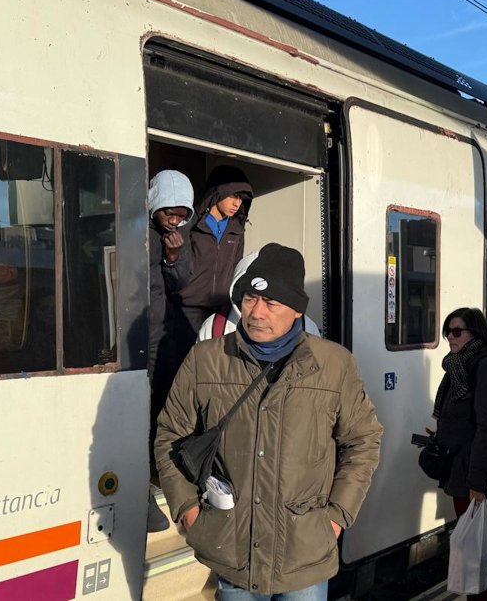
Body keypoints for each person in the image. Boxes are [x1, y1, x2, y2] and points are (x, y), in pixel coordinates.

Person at [154, 243, 383, 600]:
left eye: (271, 302)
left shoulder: (334, 365)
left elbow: (364, 440)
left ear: (295, 310)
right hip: (232, 552)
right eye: (248, 299)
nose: (256, 312)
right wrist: (188, 508)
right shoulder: (205, 359)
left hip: (305, 556)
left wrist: (337, 515)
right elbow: (170, 434)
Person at [431, 307, 487, 601]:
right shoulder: (460, 366)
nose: (450, 338)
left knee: (478, 552)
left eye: (456, 331)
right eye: (447, 332)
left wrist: (477, 482)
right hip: (462, 469)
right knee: (471, 551)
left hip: (473, 475)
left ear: (474, 333)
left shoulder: (485, 366)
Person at [176, 165, 254, 335]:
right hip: (188, 308)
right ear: (218, 192)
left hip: (222, 308)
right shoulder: (191, 224)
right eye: (233, 196)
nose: (237, 203)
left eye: (241, 199)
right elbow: (178, 265)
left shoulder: (237, 229)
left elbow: (236, 268)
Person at [147, 169, 196, 419]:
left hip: (160, 330)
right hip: (127, 329)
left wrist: (173, 258)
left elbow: (180, 283)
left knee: (160, 397)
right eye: (169, 212)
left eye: (181, 215)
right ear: (154, 202)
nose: (174, 220)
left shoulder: (179, 237)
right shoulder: (133, 228)